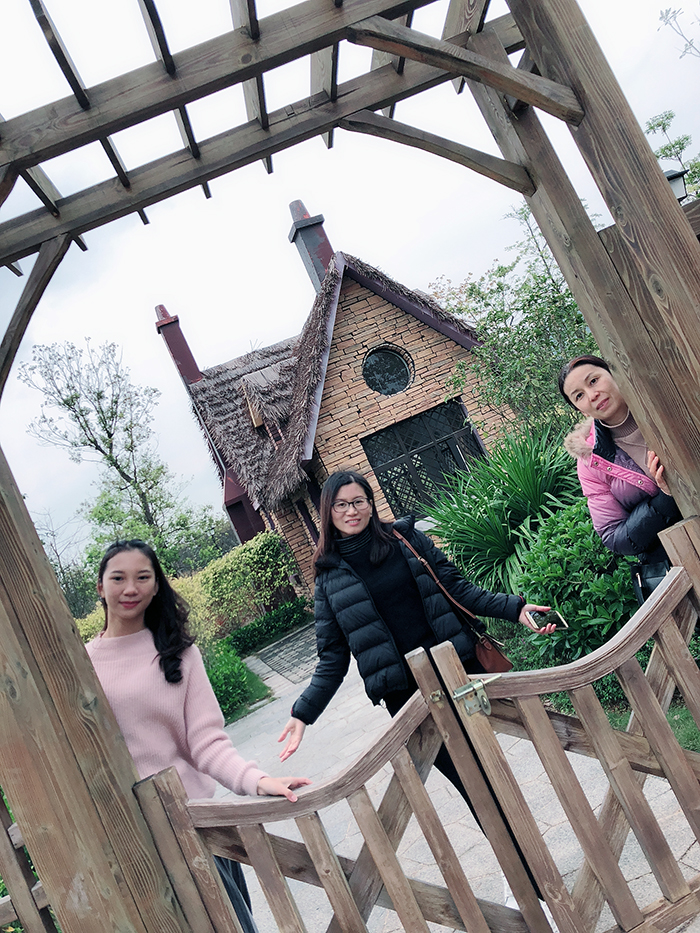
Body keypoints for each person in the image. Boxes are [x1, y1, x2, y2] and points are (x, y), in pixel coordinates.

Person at [277, 469, 556, 904]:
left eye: (359, 501)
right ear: (328, 512)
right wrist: (302, 713)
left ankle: (531, 876)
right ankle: (527, 882)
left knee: (491, 770)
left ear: (371, 503)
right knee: (471, 783)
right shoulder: (328, 579)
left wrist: (514, 608)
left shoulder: (405, 539)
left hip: (458, 672)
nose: (352, 511)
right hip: (409, 700)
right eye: (342, 504)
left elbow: (456, 587)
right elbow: (332, 658)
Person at [86, 539, 311, 933]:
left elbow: (206, 743)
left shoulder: (180, 654)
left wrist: (257, 781)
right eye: (118, 578)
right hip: (128, 838)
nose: (130, 588)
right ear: (100, 588)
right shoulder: (80, 664)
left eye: (143, 577)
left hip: (193, 826)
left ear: (157, 586)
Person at [559, 354, 681, 601]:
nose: (592, 395)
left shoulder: (665, 399)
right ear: (578, 409)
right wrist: (665, 498)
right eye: (579, 396)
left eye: (593, 381)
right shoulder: (591, 461)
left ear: (612, 372)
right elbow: (614, 535)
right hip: (682, 553)